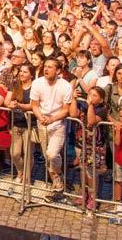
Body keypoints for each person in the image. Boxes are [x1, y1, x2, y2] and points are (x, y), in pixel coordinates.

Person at [30, 57, 73, 200]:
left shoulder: (65, 85)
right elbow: (34, 105)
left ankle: (58, 177)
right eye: (45, 66)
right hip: (42, 123)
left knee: (52, 153)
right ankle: (56, 188)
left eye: (50, 67)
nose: (46, 69)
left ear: (58, 70)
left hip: (58, 124)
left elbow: (66, 110)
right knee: (48, 157)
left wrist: (52, 119)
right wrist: (40, 117)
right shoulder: (37, 83)